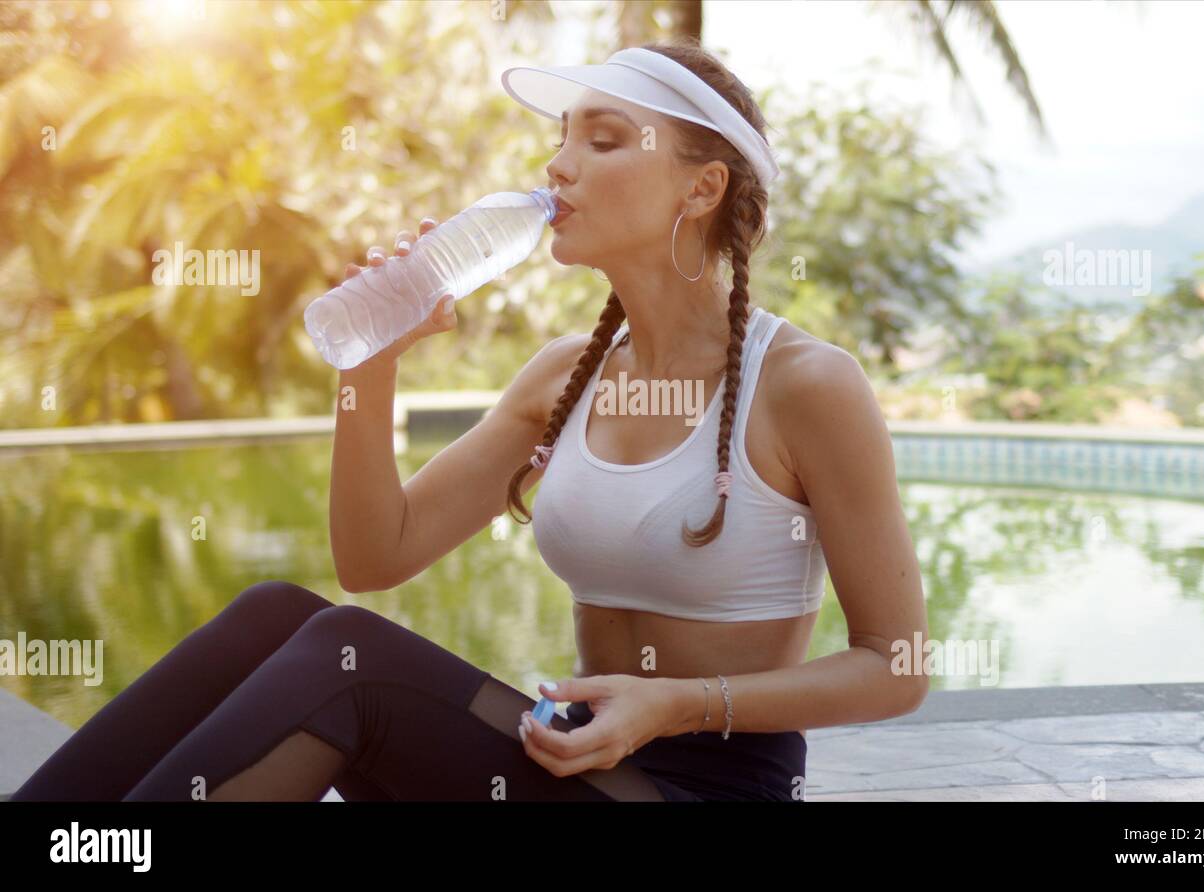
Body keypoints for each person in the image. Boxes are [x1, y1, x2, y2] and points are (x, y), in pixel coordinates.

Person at [11, 37, 928, 803]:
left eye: (603, 141)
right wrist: (371, 367)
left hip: (696, 789)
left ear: (700, 190)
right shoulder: (563, 377)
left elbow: (899, 664)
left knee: (349, 659)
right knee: (273, 616)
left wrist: (673, 704)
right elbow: (376, 557)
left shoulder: (805, 386)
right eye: (561, 138)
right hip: (572, 765)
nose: (557, 165)